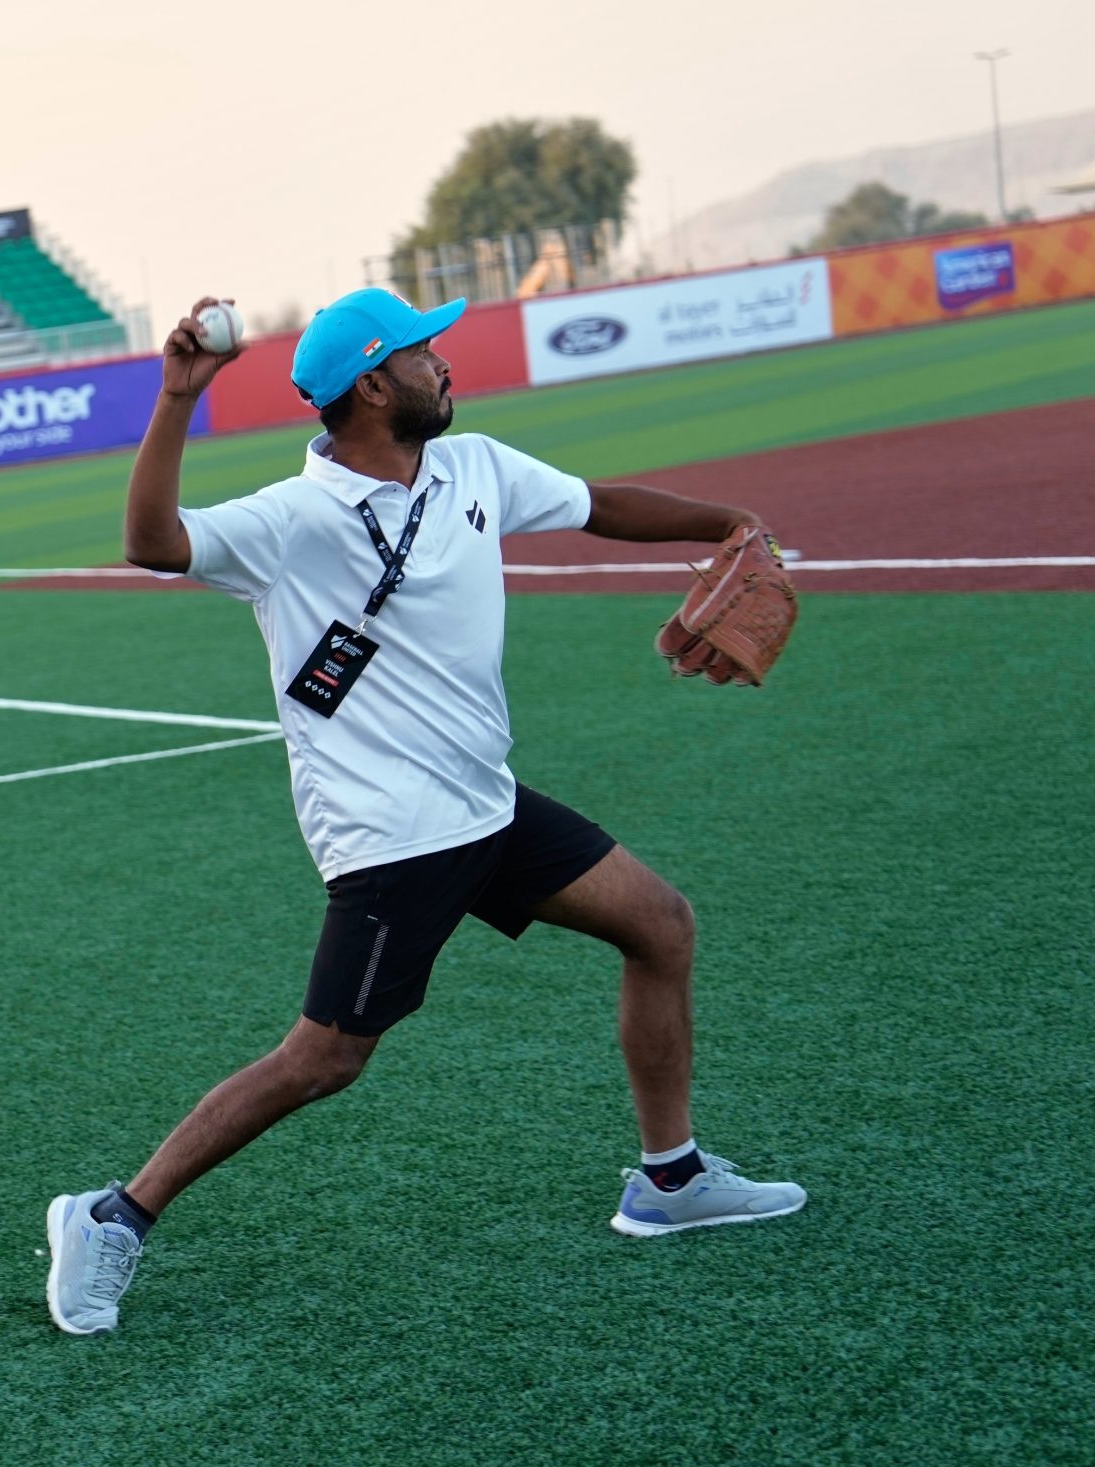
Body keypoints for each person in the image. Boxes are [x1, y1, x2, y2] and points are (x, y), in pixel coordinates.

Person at [42, 288, 808, 1337]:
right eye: (421, 351)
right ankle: (111, 1215)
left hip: (486, 807)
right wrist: (178, 396)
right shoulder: (291, 520)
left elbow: (596, 503)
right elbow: (153, 542)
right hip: (393, 836)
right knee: (325, 1058)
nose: (443, 364)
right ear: (372, 383)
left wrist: (729, 523)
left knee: (660, 923)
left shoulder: (473, 467)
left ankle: (670, 1181)